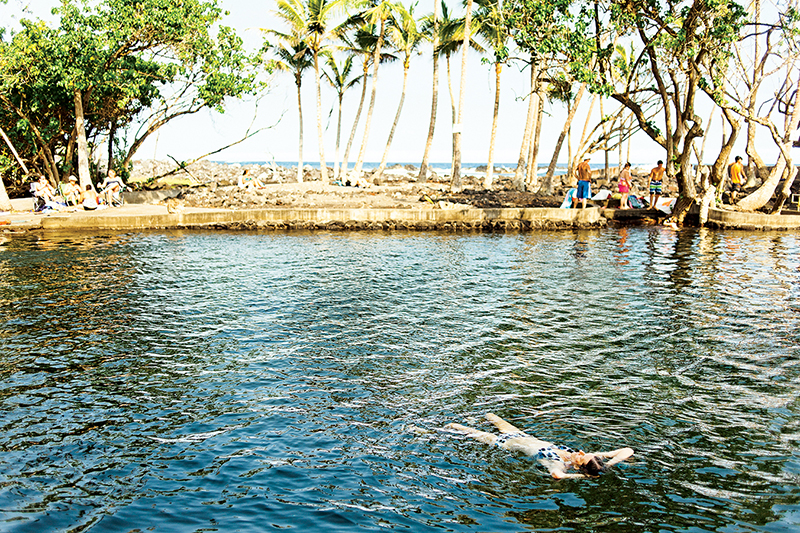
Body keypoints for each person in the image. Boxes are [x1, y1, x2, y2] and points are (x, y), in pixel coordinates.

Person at [447, 413, 634, 480]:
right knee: (489, 415)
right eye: (584, 453)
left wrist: (582, 476)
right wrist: (609, 465)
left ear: (579, 466)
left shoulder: (560, 465)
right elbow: (628, 450)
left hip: (504, 443)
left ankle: (423, 429)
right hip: (521, 435)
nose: (581, 452)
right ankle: (472, 418)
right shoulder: (580, 457)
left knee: (455, 428)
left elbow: (557, 475)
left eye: (581, 457)